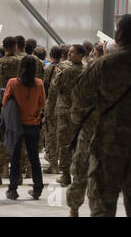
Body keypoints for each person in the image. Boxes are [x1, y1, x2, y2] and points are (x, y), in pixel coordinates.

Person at [70, 15, 131, 217]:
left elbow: (79, 99)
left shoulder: (104, 65)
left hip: (108, 146)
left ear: (119, 34)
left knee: (102, 209)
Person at [3, 56, 45, 200]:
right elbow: (42, 104)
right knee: (34, 158)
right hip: (32, 124)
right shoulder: (39, 83)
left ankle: (13, 189)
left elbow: (5, 102)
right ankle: (38, 188)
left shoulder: (13, 83)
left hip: (17, 126)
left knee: (15, 158)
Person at [0, 37, 22, 185]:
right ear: (15, 46)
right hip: (20, 103)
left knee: (0, 136)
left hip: (2, 102)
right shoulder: (22, 63)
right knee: (18, 137)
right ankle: (18, 173)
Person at [52, 44, 86, 186]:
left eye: (72, 53)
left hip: (66, 111)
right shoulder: (87, 69)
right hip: (81, 112)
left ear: (80, 55)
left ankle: (65, 175)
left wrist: (58, 74)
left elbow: (55, 86)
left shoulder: (67, 71)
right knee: (80, 144)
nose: (69, 55)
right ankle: (79, 174)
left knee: (64, 143)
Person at [42, 45, 63, 174]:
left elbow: (43, 87)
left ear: (50, 54)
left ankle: (53, 163)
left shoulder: (47, 69)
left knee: (50, 134)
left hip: (50, 105)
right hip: (64, 104)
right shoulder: (67, 68)